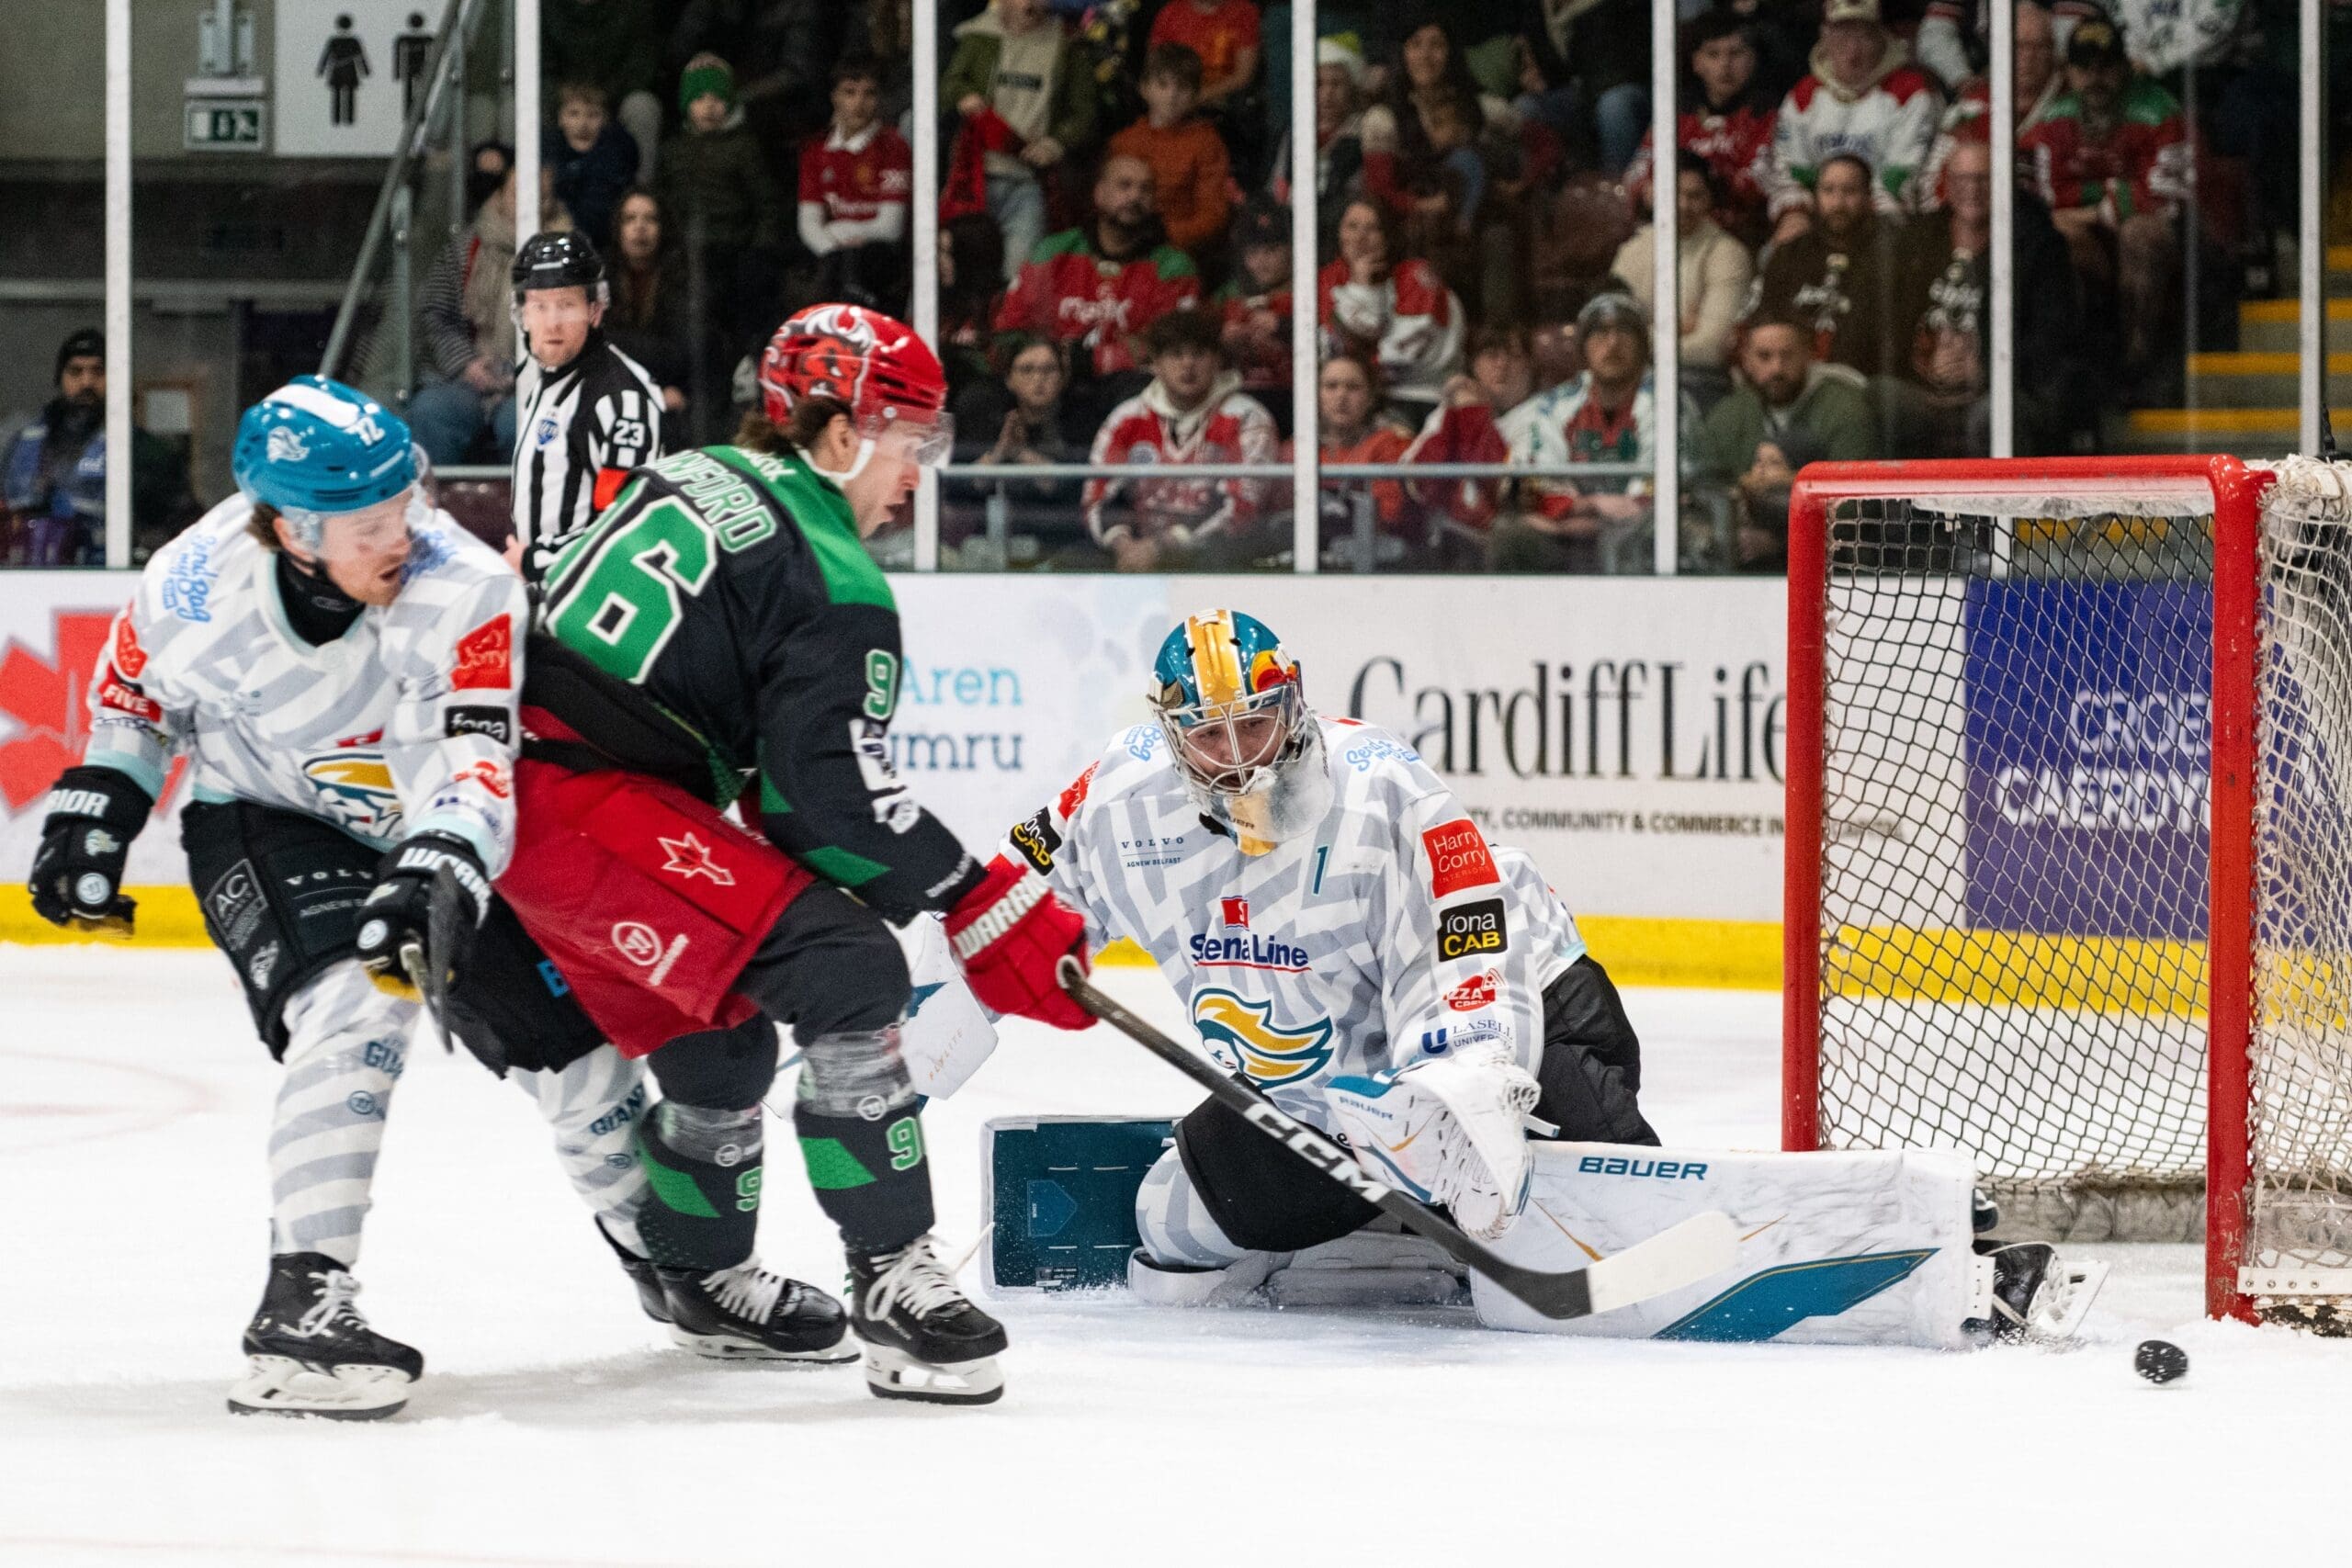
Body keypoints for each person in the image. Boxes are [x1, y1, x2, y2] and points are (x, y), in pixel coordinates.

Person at [23, 378, 658, 1418]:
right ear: (288, 529)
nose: (402, 535)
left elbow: (477, 756)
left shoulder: (466, 588)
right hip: (266, 817)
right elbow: (138, 704)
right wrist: (98, 806)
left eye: (403, 505)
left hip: (429, 830)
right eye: (369, 526)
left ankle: (683, 1262)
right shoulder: (191, 585)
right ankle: (302, 1304)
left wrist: (440, 856)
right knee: (359, 1001)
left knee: (584, 1052)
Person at [505, 304, 1096, 1404]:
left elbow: (788, 799)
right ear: (837, 437)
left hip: (519, 792)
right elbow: (820, 803)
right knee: (849, 967)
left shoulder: (697, 467)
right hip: (591, 806)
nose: (920, 472)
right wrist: (979, 897)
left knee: (723, 1035)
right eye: (912, 441)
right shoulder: (832, 574)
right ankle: (892, 1275)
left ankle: (698, 1275)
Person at [999, 609, 1655, 1302]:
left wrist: (1469, 1089)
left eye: (1254, 723)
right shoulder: (1120, 798)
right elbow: (1002, 907)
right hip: (1330, 1102)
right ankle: (1400, 1222)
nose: (1240, 757)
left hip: (1522, 1021)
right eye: (1210, 735)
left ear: (1293, 702)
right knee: (1172, 1221)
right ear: (1173, 737)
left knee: (1589, 1219)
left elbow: (1468, 954)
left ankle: (1459, 1183)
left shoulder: (1382, 786)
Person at [2019, 14, 2188, 387]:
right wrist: (2113, 197)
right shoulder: (2054, 120)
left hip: (2169, 249)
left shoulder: (2160, 110)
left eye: (2106, 66)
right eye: (2084, 68)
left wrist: (2093, 209)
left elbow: (2163, 201)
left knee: (2141, 235)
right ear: (2069, 71)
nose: (2095, 78)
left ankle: (2140, 367)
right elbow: (2049, 203)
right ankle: (2070, 375)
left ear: (2125, 67)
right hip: (2092, 241)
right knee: (2054, 242)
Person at [992, 152, 1202, 431]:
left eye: (1145, 189)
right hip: (1049, 385)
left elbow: (1174, 348)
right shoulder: (1053, 253)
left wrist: (1093, 359)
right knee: (981, 398)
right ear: (1099, 194)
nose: (1135, 196)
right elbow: (1009, 331)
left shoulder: (1173, 267)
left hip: (1122, 389)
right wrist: (1051, 359)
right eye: (1124, 186)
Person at [1492, 289, 1685, 574]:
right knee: (1511, 535)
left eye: (1625, 331)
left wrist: (1594, 512)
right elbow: (1540, 483)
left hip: (1643, 538)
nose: (1613, 342)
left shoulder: (1670, 403)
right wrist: (1591, 508)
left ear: (1643, 347)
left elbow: (1663, 497)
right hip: (1572, 535)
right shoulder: (1553, 406)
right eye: (1600, 332)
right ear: (1582, 348)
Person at [507, 231, 666, 561]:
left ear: (594, 310)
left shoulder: (621, 400)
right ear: (523, 315)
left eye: (566, 304)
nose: (552, 323)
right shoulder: (549, 379)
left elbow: (627, 522)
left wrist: (533, 561)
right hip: (548, 597)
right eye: (539, 306)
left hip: (590, 602)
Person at [1083, 309, 1278, 570]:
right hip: (1133, 555)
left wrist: (1163, 547)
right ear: (1156, 363)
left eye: (1198, 354)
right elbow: (1098, 495)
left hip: (1211, 561)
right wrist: (1123, 544)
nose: (1188, 365)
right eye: (1176, 355)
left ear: (1217, 360)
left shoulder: (1247, 418)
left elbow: (1242, 506)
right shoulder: (1126, 418)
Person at [411, 164, 572, 466]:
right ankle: (434, 506)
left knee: (525, 425)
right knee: (430, 411)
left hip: (538, 381)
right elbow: (433, 311)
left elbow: (575, 330)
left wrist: (520, 372)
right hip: (469, 375)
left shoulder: (570, 256)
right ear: (499, 196)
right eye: (518, 194)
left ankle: (524, 509)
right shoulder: (468, 247)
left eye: (540, 197)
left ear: (552, 205)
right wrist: (467, 364)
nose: (528, 204)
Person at [1699, 310, 1878, 570]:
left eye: (1787, 355)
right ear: (1746, 359)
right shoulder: (1730, 414)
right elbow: (1703, 488)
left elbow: (1857, 507)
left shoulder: (1845, 408)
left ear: (1808, 354)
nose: (1777, 368)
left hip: (1832, 569)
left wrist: (1781, 538)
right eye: (1764, 357)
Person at [942, 0, 1100, 280]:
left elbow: (1084, 113)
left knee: (1021, 276)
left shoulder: (1068, 44)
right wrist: (963, 95)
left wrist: (1055, 144)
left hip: (1028, 182)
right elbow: (948, 85)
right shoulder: (978, 36)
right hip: (975, 176)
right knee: (957, 269)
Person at [1765, 0, 1942, 240]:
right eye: (1842, 37)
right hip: (1820, 220)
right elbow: (1791, 171)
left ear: (1881, 37)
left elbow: (1902, 176)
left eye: (1863, 37)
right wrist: (1795, 212)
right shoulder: (1803, 96)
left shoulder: (1912, 93)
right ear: (1824, 37)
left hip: (1889, 222)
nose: (1852, 51)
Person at [657, 54, 785, 358]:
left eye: (717, 98)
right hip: (687, 249)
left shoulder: (743, 147)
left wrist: (760, 247)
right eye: (699, 98)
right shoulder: (673, 150)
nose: (709, 106)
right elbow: (663, 200)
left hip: (735, 247)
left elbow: (766, 202)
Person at [1624, 11, 1779, 249]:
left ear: (1752, 59)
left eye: (1735, 53)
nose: (1725, 65)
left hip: (1738, 239)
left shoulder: (1767, 114)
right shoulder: (1675, 113)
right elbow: (1636, 175)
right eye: (1713, 54)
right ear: (1697, 62)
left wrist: (1707, 186)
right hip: (1672, 235)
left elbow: (1761, 184)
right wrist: (1649, 189)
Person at [1746, 152, 1905, 380]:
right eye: (1828, 190)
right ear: (1815, 196)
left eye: (1849, 191)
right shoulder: (1790, 254)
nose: (1838, 203)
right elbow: (1766, 320)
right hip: (1788, 376)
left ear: (1868, 197)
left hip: (1860, 381)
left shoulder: (1891, 257)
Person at [1612, 152, 1755, 399]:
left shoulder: (1728, 254)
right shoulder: (1632, 250)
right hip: (1633, 374)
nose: (1683, 205)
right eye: (1673, 193)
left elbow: (1712, 348)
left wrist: (1640, 336)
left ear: (1709, 200)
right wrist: (1675, 329)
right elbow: (1610, 329)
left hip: (1699, 382)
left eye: (1694, 196)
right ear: (1654, 195)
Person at [1317, 197, 1464, 429]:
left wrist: (1361, 287)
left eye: (1372, 229)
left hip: (1418, 399)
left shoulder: (1417, 278)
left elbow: (1398, 359)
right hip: (1361, 400)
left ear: (1388, 235)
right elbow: (1329, 349)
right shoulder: (1329, 278)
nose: (1360, 238)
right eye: (1352, 227)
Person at [798, 59, 915, 312]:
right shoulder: (816, 150)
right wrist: (833, 252)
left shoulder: (893, 148)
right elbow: (808, 223)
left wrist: (838, 233)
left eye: (869, 94)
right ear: (834, 98)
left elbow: (891, 228)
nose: (859, 103)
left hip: (881, 258)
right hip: (832, 258)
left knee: (851, 267)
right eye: (849, 93)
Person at [1107, 43, 1234, 261]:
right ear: (1145, 89)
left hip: (1179, 252)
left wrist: (1165, 236)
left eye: (1183, 88)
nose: (1172, 95)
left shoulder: (1206, 142)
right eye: (1163, 85)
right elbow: (1106, 200)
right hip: (1124, 245)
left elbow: (1213, 213)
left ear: (1196, 95)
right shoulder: (1123, 142)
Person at [1288, 353, 1416, 567]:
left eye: (1353, 387)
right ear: (1315, 395)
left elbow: (1389, 514)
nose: (1341, 396)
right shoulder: (1297, 447)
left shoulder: (1389, 444)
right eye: (1331, 386)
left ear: (1370, 397)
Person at [543, 0, 665, 181]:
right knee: (526, 102)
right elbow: (539, 67)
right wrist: (568, 97)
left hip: (614, 101)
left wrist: (600, 99)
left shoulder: (634, 7)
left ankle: (639, 196)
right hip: (562, 102)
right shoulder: (545, 8)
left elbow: (640, 66)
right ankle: (532, 190)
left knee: (643, 106)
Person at [605, 188, 694, 427]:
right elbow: (601, 350)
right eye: (630, 219)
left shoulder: (683, 279)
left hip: (672, 401)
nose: (640, 227)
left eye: (650, 219)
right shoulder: (603, 280)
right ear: (618, 229)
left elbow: (682, 356)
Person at [1211, 198, 1295, 416]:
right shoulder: (1229, 298)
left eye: (1271, 250)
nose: (1261, 261)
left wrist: (1285, 326)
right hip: (1236, 400)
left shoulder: (1307, 295)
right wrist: (1222, 341)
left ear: (1291, 250)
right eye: (1253, 253)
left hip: (1292, 399)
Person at [547, 80, 639, 250]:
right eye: (573, 114)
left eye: (593, 115)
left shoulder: (616, 158)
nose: (583, 124)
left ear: (605, 120)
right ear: (560, 119)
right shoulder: (548, 156)